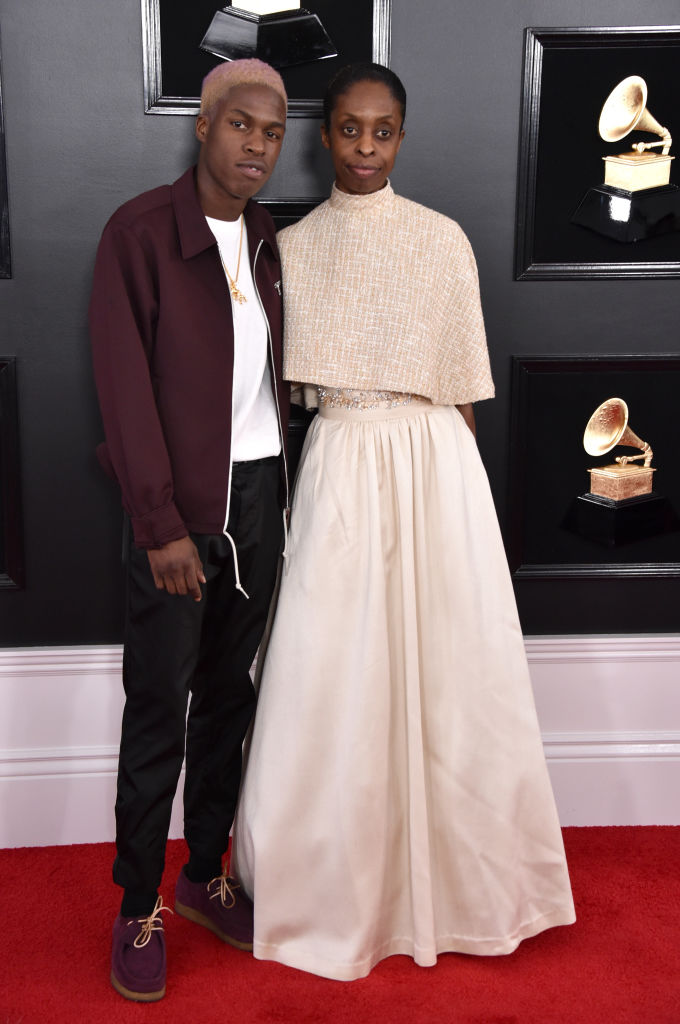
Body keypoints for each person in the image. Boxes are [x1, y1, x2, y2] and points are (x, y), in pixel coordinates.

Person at [232, 62, 576, 981]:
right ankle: (335, 887)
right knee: (332, 670)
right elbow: (277, 398)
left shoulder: (442, 241)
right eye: (349, 129)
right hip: (341, 460)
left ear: (402, 137)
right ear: (324, 137)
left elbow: (462, 393)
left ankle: (471, 884)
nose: (365, 148)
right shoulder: (291, 250)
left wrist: (462, 511)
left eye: (382, 131)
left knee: (452, 669)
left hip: (436, 470)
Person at [90, 59, 290, 1002]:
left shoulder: (270, 238)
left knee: (228, 703)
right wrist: (160, 524)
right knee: (159, 710)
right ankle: (138, 905)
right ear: (203, 126)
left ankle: (203, 874)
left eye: (274, 132)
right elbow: (124, 389)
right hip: (179, 514)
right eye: (241, 125)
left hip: (260, 499)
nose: (258, 145)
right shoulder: (139, 233)